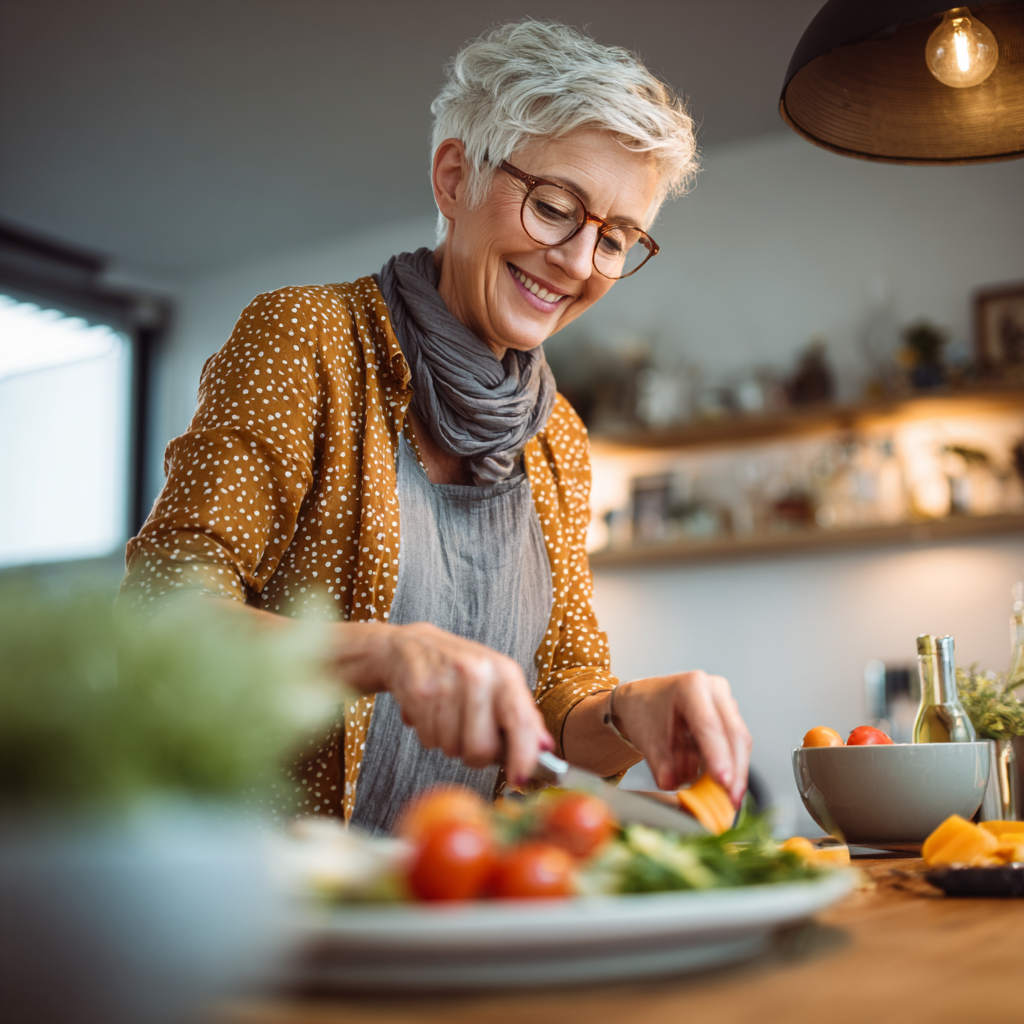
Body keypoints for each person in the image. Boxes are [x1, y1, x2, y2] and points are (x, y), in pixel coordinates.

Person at [121, 20, 752, 835]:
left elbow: (558, 704)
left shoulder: (556, 436)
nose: (577, 260)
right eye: (557, 207)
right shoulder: (308, 340)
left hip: (447, 898)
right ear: (454, 178)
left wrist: (631, 712)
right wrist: (382, 653)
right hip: (252, 894)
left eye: (617, 240)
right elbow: (163, 616)